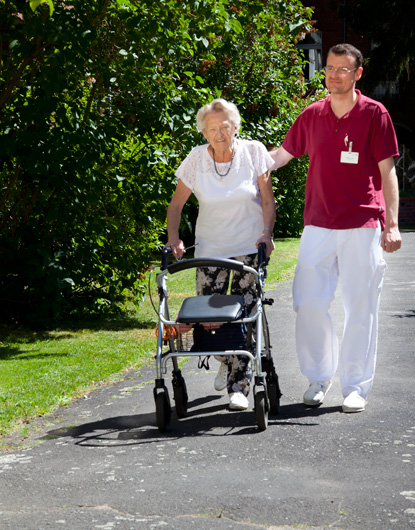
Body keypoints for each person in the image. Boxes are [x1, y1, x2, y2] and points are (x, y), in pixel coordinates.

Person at [269, 43, 402, 413]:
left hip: (362, 224)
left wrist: (391, 225)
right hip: (318, 225)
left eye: (343, 69)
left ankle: (355, 386)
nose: (333, 75)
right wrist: (247, 161)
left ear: (358, 74)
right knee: (308, 302)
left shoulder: (375, 114)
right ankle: (318, 377)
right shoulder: (312, 114)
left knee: (361, 306)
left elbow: (387, 172)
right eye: (329, 68)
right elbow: (281, 155)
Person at [166, 98, 276, 411]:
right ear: (203, 133)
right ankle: (227, 361)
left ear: (236, 126)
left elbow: (268, 202)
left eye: (224, 126)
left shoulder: (254, 152)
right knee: (209, 321)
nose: (219, 133)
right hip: (210, 251)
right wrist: (174, 238)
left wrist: (267, 233)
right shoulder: (196, 160)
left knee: (243, 319)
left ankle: (238, 388)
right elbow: (175, 206)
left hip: (247, 250)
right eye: (212, 128)